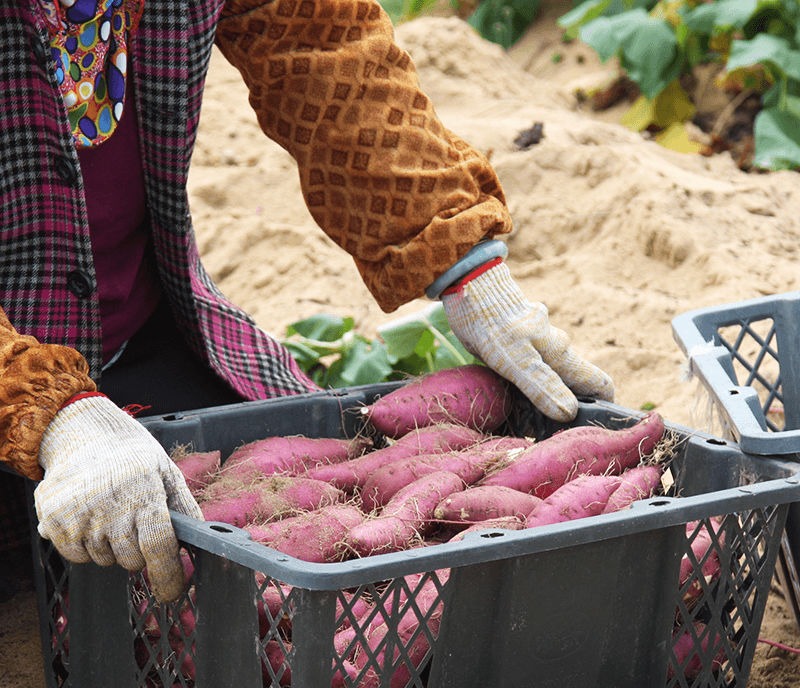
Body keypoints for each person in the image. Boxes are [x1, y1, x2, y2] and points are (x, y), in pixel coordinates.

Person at [0, 0, 614, 602]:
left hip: (136, 325)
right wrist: (48, 410)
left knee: (260, 491)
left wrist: (458, 257)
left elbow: (323, 47)